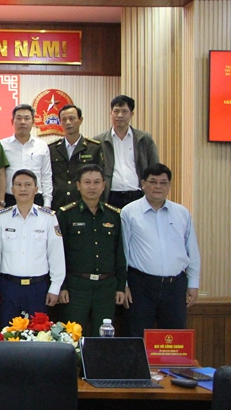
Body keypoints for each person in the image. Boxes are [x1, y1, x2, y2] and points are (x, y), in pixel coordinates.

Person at [120, 163, 200, 337]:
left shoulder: (182, 213)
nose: (158, 187)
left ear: (169, 185)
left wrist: (193, 283)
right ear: (143, 184)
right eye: (153, 182)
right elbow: (123, 252)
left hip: (175, 286)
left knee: (175, 339)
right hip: (140, 286)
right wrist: (123, 284)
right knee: (137, 337)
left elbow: (192, 251)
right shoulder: (129, 212)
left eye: (163, 183)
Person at [57, 164, 126, 336]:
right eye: (87, 182)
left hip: (106, 288)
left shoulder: (114, 215)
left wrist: (121, 286)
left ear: (103, 185)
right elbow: (58, 254)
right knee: (71, 336)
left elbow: (119, 253)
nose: (92, 187)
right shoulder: (66, 214)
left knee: (103, 339)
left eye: (96, 182)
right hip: (76, 286)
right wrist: (61, 286)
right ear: (78, 185)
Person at [0, 169, 65, 326]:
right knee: (8, 334)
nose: (23, 189)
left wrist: (55, 287)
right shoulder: (2, 218)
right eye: (18, 185)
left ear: (36, 189)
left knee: (38, 335)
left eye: (28, 185)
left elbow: (56, 255)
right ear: (12, 189)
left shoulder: (48, 218)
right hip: (9, 287)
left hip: (37, 288)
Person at [94, 95, 159, 209]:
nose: (120, 115)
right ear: (110, 113)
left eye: (124, 111)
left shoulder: (144, 139)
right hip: (110, 196)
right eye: (116, 111)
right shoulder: (99, 141)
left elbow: (154, 168)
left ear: (131, 114)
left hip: (138, 195)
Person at [50, 105, 104, 210]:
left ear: (80, 120)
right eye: (64, 119)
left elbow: (101, 177)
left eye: (72, 118)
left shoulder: (94, 148)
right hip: (58, 203)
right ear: (60, 122)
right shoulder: (52, 148)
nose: (68, 122)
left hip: (84, 204)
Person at [1, 104, 52, 208]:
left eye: (27, 118)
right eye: (19, 118)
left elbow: (46, 176)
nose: (22, 122)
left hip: (36, 199)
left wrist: (47, 203)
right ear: (12, 121)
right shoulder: (2, 145)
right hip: (10, 199)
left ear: (33, 122)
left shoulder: (42, 146)